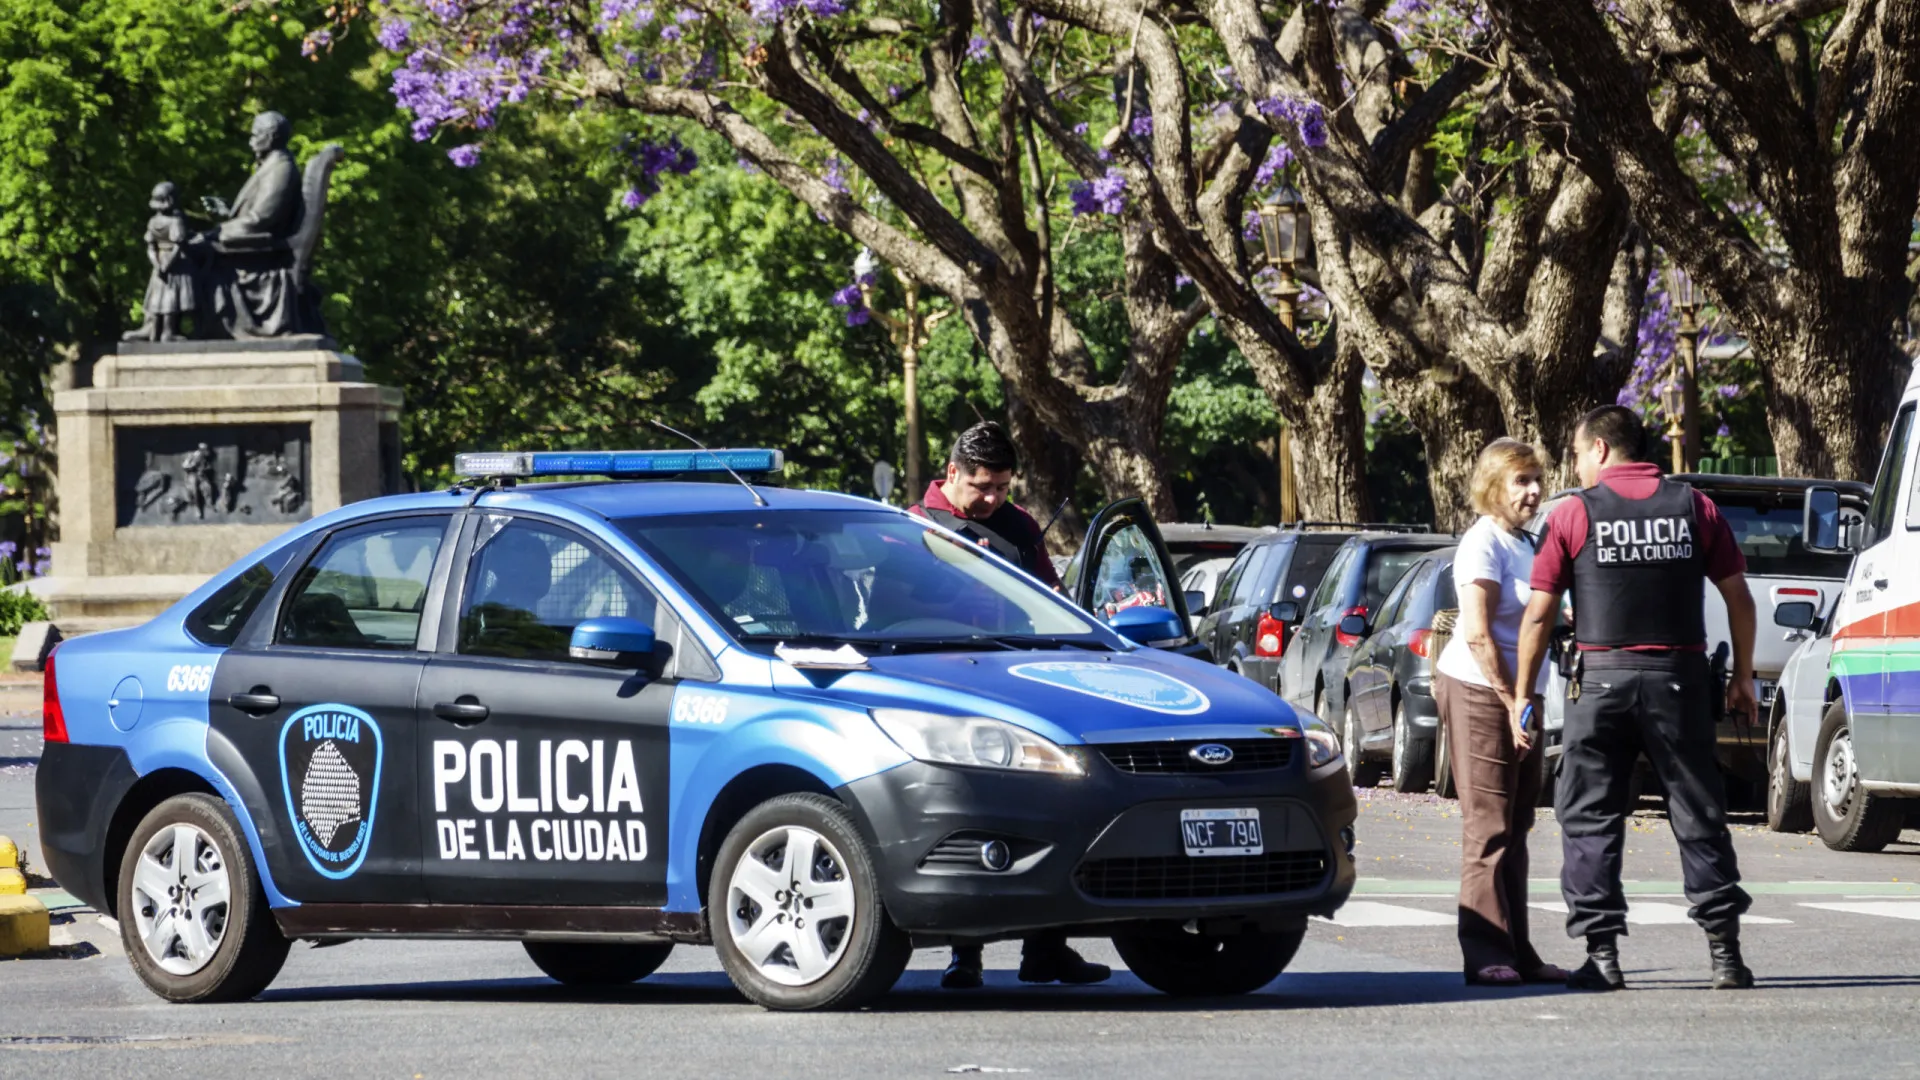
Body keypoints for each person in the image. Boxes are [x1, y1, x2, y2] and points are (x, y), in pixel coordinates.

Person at [1513, 405, 1758, 992]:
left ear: (1600, 448)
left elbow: (1540, 614)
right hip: (1677, 679)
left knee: (1590, 815)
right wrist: (1742, 676)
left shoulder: (1574, 514)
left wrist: (1523, 692)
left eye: (1575, 453)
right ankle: (1725, 954)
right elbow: (1739, 598)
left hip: (1600, 681)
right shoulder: (1694, 507)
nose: (1574, 464)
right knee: (1698, 812)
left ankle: (1602, 957)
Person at [908, 421, 1108, 990]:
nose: (992, 498)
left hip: (1023, 682)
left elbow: (1052, 601)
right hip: (946, 684)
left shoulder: (1018, 526)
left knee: (1054, 810)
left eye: (1001, 486)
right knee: (975, 815)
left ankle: (1046, 950)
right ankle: (964, 958)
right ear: (952, 475)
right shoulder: (913, 526)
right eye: (981, 486)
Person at [1432, 438, 1568, 987]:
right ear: (1493, 486)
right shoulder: (1481, 543)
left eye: (1537, 479)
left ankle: (1519, 951)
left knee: (1518, 823)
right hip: (1478, 689)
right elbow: (1479, 634)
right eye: (1521, 481)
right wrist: (1511, 701)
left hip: (1522, 694)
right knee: (1487, 826)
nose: (1534, 491)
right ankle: (1485, 952)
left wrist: (1527, 698)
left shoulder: (1526, 542)